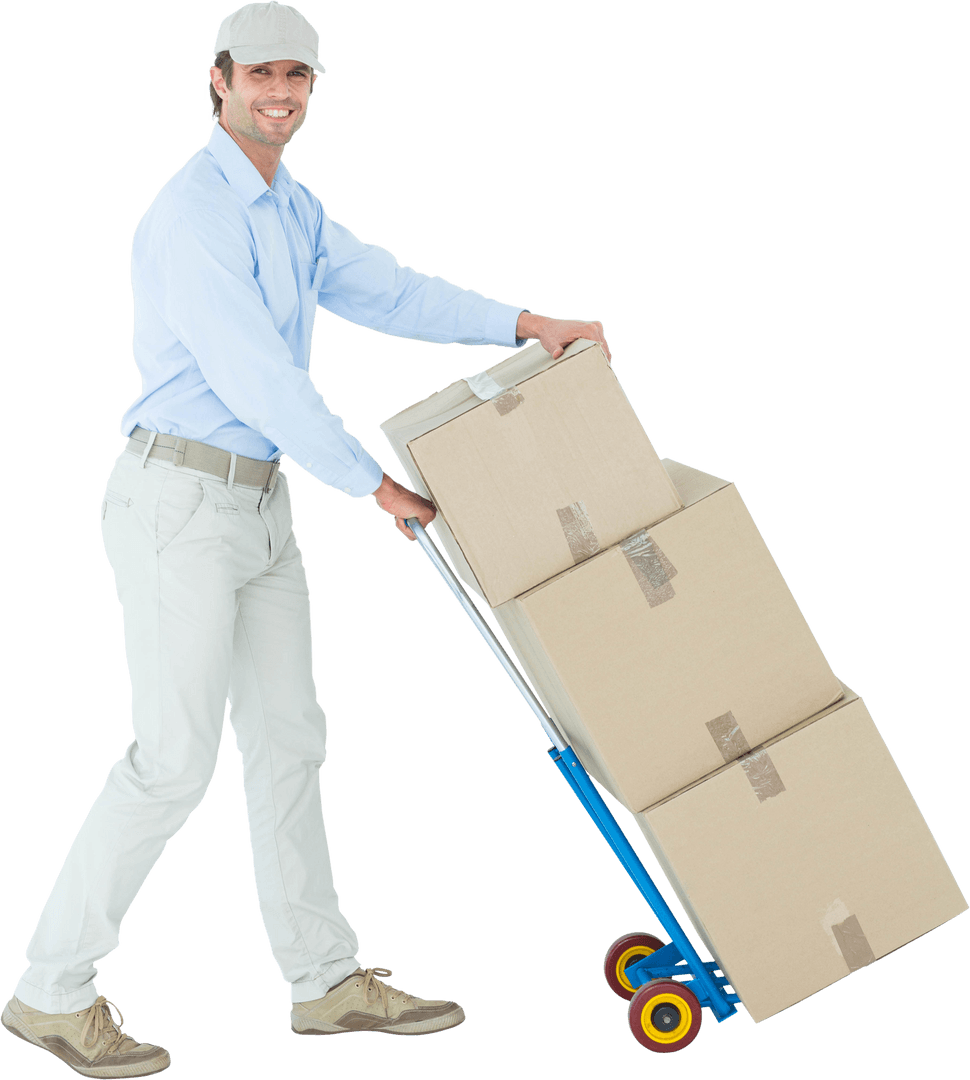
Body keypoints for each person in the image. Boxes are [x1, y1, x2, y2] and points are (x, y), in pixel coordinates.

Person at [1, 3, 610, 1075]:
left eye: (299, 77)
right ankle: (51, 995)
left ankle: (324, 982)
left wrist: (525, 324)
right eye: (260, 75)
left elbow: (388, 288)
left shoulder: (290, 205)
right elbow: (258, 379)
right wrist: (374, 483)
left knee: (290, 738)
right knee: (172, 761)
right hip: (179, 505)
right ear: (219, 79)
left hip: (262, 506)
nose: (280, 94)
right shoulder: (193, 214)